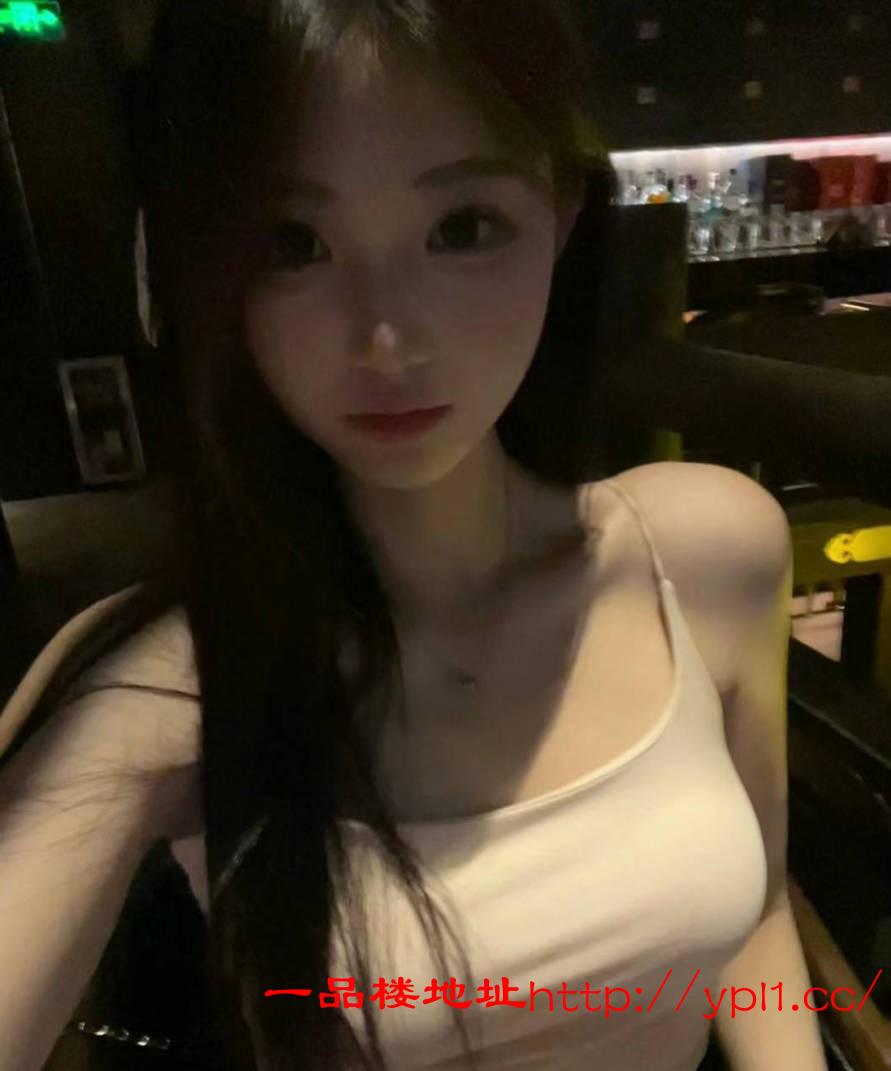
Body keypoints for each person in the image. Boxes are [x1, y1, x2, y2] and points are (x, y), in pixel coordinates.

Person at [0, 2, 829, 1069]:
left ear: (561, 214)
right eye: (293, 243)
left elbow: (755, 916)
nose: (386, 339)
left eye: (463, 226)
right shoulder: (171, 684)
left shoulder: (710, 550)